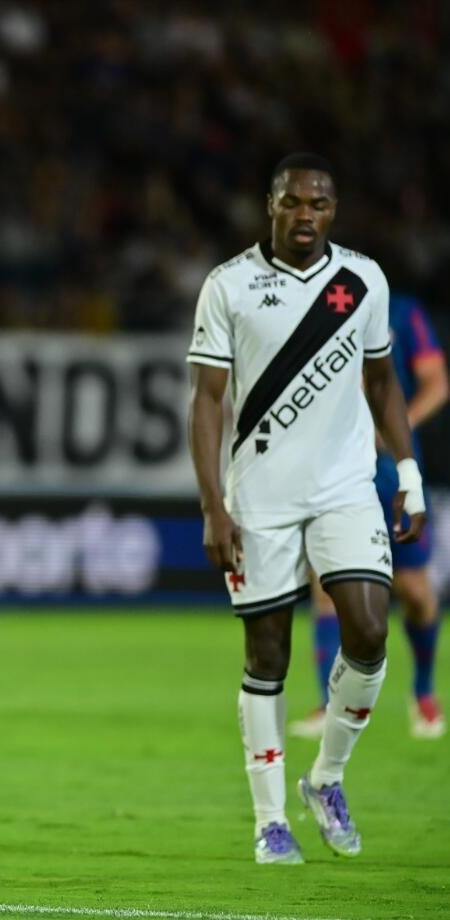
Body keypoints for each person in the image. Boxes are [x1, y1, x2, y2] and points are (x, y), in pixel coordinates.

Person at [186, 153, 427, 865]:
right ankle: (269, 821)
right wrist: (213, 506)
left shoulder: (362, 280)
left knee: (370, 630)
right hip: (259, 497)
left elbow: (382, 382)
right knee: (268, 655)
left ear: (333, 211)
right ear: (271, 205)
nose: (305, 215)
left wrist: (408, 471)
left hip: (345, 487)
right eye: (292, 202)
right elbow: (207, 400)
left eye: (318, 204)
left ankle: (326, 778)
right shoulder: (229, 285)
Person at [292, 296, 447, 741]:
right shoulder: (314, 306)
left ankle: (423, 691)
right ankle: (328, 704)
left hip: (391, 469)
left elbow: (436, 382)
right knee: (326, 584)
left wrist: (397, 424)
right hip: (333, 468)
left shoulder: (402, 313)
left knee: (414, 591)